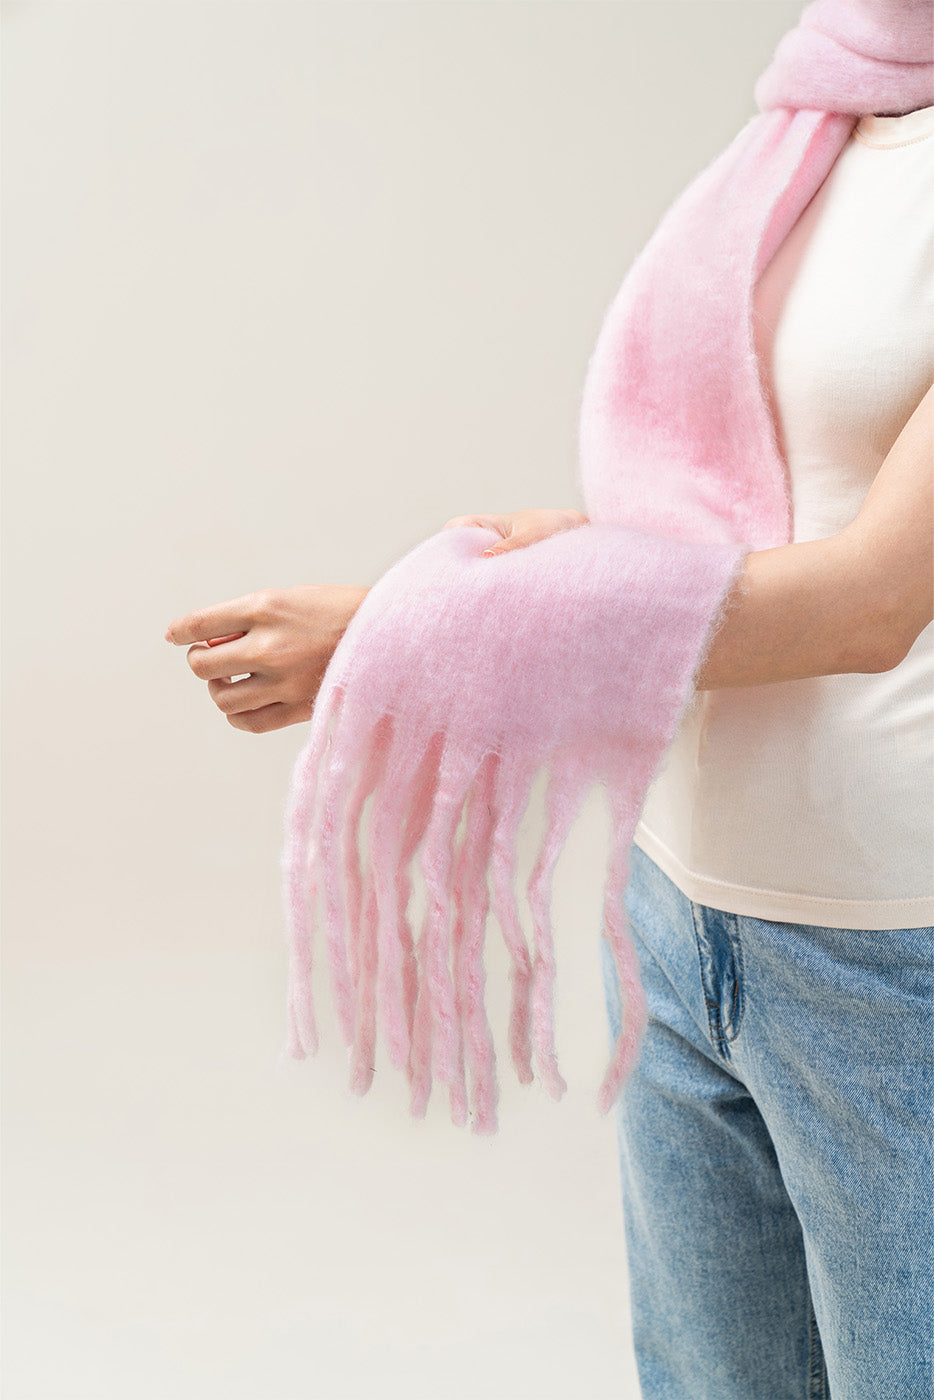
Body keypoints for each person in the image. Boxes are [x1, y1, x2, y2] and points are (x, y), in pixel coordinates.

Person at [165, 95, 934, 1399]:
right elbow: (758, 508)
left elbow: (870, 600)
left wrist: (400, 630)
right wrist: (575, 555)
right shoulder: (819, 121)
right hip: (678, 911)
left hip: (891, 954)